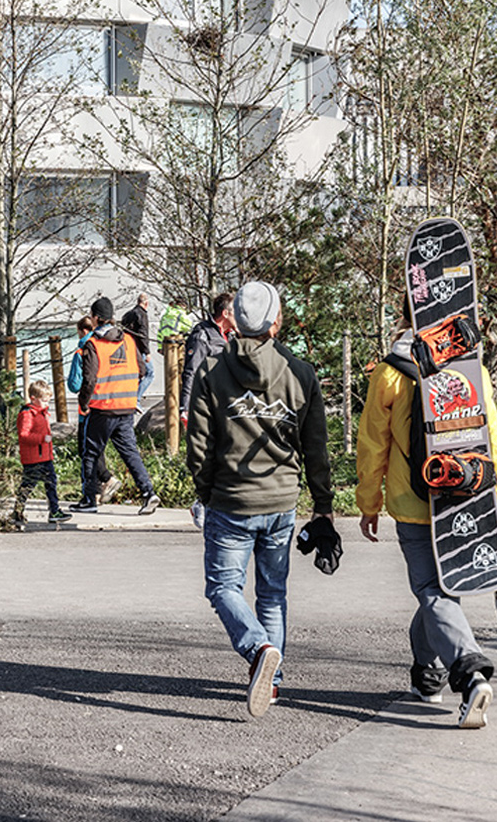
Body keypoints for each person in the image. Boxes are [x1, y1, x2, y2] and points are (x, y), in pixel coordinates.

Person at [356, 307, 497, 729]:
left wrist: (369, 502)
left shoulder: (390, 372)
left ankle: (469, 673)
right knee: (443, 592)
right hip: (466, 494)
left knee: (433, 592)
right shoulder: (471, 369)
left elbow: (373, 445)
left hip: (413, 502)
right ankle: (427, 676)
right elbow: (490, 436)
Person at [187, 279, 334, 717]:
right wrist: (323, 506)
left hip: (230, 500)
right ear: (276, 321)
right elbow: (315, 448)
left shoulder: (211, 372)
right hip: (282, 502)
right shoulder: (300, 373)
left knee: (222, 588)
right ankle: (272, 682)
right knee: (272, 594)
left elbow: (199, 446)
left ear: (236, 321)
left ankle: (258, 650)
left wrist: (207, 490)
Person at [72, 296, 161, 516]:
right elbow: (141, 370)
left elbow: (90, 379)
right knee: (130, 453)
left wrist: (84, 402)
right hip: (126, 407)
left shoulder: (93, 343)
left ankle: (89, 498)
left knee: (90, 452)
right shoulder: (129, 341)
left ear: (95, 318)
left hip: (102, 407)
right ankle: (149, 493)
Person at [68, 314, 120, 504]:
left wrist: (83, 399)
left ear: (82, 331)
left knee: (86, 452)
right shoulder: (109, 346)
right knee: (98, 450)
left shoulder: (82, 350)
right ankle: (98, 491)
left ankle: (101, 483)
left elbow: (75, 384)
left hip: (88, 408)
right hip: (107, 404)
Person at [14, 379, 72, 527]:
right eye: (44, 401)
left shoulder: (42, 413)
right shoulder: (27, 414)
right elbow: (23, 435)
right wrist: (42, 439)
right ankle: (17, 512)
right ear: (33, 398)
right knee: (28, 485)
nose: (47, 404)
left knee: (51, 482)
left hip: (45, 456)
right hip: (33, 458)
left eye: (48, 401)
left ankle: (54, 511)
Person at [180, 292, 236, 424]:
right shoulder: (202, 335)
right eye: (236, 311)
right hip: (209, 402)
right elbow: (191, 371)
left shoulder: (232, 337)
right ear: (225, 313)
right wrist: (186, 407)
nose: (239, 315)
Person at [121, 292, 155, 405]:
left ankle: (133, 398)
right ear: (146, 303)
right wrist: (147, 352)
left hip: (130, 348)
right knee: (150, 373)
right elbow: (143, 334)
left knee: (137, 374)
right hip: (140, 350)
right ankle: (137, 399)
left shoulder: (129, 314)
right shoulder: (142, 314)